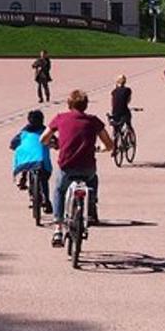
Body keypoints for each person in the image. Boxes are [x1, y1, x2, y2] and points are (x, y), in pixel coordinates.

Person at [41, 90, 114, 247]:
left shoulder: (60, 118)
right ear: (86, 105)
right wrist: (100, 149)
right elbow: (109, 144)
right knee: (93, 179)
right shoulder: (94, 121)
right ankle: (91, 206)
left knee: (59, 190)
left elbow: (43, 138)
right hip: (87, 168)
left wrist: (53, 144)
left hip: (66, 167)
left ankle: (58, 228)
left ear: (69, 104)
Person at [10, 110, 52, 214]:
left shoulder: (24, 131)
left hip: (26, 160)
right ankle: (46, 201)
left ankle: (23, 178)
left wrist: (15, 146)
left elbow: (13, 143)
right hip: (41, 161)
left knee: (26, 160)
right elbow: (55, 141)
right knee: (44, 178)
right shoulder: (45, 130)